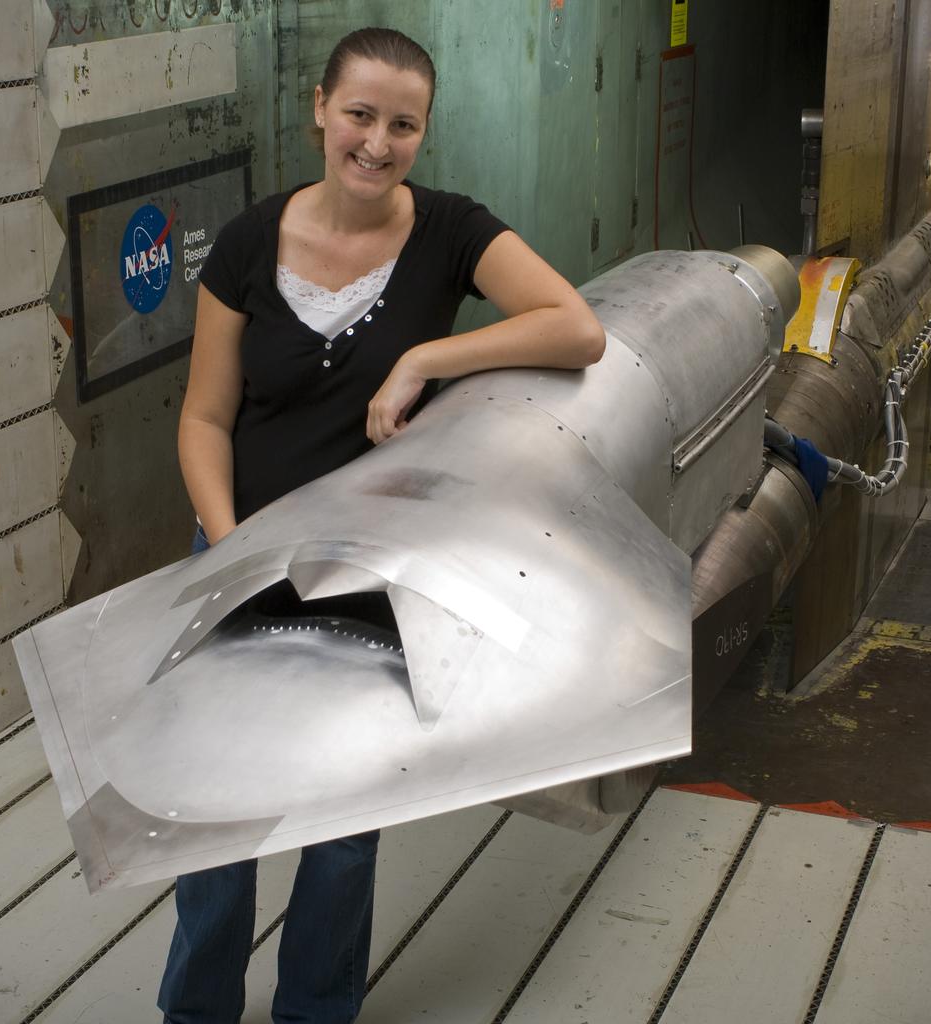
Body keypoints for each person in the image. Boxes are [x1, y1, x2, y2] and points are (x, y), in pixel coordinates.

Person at [159, 26, 604, 1024]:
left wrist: (424, 361)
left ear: (423, 133)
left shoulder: (450, 231)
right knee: (215, 817)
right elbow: (203, 418)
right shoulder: (247, 243)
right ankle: (194, 1012)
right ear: (318, 108)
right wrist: (230, 545)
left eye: (403, 125)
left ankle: (314, 1012)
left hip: (369, 565)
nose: (377, 142)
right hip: (238, 545)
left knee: (342, 824)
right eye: (359, 115)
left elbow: (576, 327)